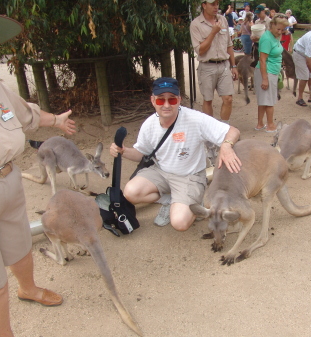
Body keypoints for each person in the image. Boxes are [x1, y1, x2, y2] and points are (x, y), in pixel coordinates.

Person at [0, 9, 77, 337]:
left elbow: (25, 115)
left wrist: (56, 121)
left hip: (8, 182)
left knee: (20, 249)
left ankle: (29, 289)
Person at [109, 77, 241, 230]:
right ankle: (173, 201)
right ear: (152, 100)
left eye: (171, 100)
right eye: (160, 100)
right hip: (161, 171)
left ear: (179, 100)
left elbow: (233, 131)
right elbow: (141, 153)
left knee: (179, 223)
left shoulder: (194, 119)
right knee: (130, 192)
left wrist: (226, 146)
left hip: (189, 176)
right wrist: (123, 151)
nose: (166, 105)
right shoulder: (149, 124)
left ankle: (193, 203)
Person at [190, 0, 238, 123]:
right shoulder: (196, 24)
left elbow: (229, 44)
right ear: (204, 5)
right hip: (207, 66)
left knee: (228, 99)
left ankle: (223, 129)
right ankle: (210, 131)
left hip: (224, 65)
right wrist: (213, 32)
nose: (216, 7)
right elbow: (200, 50)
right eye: (212, 4)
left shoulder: (223, 20)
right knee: (208, 100)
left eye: (217, 4)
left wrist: (234, 65)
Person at [254, 16, 289, 132]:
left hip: (272, 71)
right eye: (278, 29)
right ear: (272, 25)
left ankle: (260, 124)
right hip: (267, 72)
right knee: (270, 100)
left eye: (282, 30)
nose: (280, 32)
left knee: (264, 99)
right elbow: (262, 59)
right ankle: (270, 125)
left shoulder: (275, 36)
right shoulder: (267, 39)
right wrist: (265, 79)